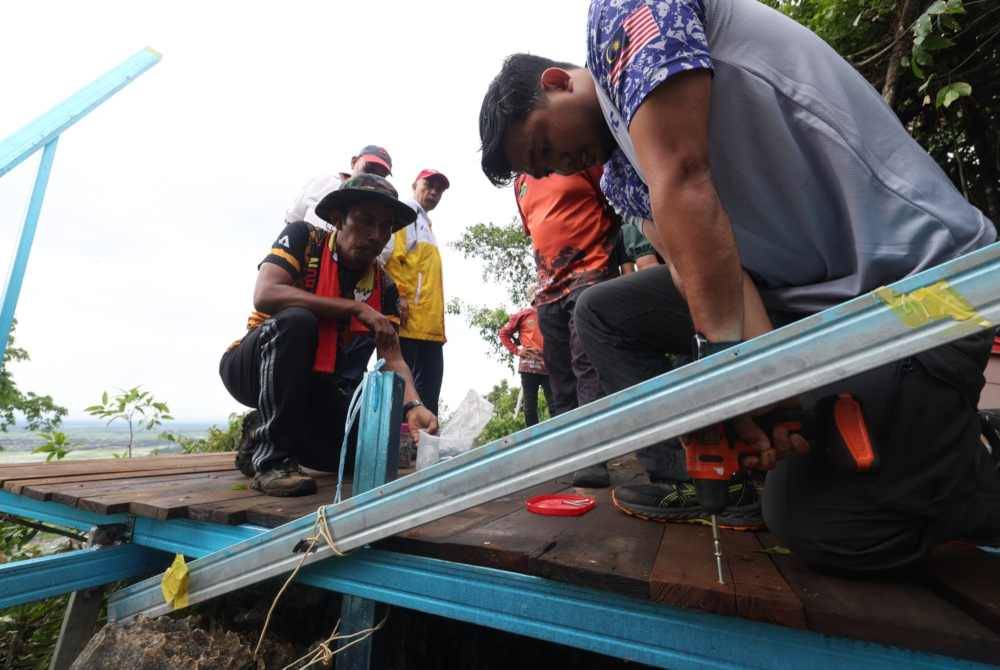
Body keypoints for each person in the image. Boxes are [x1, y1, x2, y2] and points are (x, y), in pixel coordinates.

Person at [478, 0, 999, 572]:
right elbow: (698, 269)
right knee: (603, 312)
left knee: (822, 526)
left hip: (930, 287)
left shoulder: (623, 18)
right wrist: (771, 402)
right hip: (820, 301)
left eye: (546, 146)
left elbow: (684, 173)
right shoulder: (625, 178)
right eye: (546, 168)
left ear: (556, 83)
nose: (561, 165)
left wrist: (725, 378)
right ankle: (711, 477)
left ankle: (969, 475)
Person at [221, 174, 438, 497]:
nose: (376, 235)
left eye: (386, 227)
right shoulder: (303, 239)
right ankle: (272, 462)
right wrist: (352, 308)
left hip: (317, 386)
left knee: (355, 455)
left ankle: (260, 435)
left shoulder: (384, 288)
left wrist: (415, 406)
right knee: (298, 322)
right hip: (254, 365)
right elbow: (266, 292)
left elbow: (391, 358)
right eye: (365, 221)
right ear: (338, 219)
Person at [514, 170, 618, 487]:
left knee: (586, 364)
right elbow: (536, 231)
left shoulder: (575, 158)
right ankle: (568, 454)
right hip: (547, 292)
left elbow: (613, 206)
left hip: (590, 277)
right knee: (559, 375)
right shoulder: (520, 183)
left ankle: (593, 456)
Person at [379, 169, 450, 416]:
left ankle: (422, 451)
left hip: (429, 328)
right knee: (401, 395)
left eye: (439, 190)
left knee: (429, 395)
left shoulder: (425, 223)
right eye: (429, 185)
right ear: (414, 185)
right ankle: (396, 449)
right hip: (408, 322)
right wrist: (399, 297)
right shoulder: (405, 215)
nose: (434, 192)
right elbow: (387, 258)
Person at [285, 145, 393, 228]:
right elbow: (292, 220)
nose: (372, 177)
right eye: (369, 169)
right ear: (353, 162)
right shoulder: (323, 182)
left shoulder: (378, 207)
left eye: (380, 176)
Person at [499, 297, 553, 427]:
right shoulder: (524, 314)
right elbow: (503, 333)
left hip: (549, 364)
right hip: (529, 365)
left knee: (555, 402)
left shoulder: (550, 311)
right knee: (530, 406)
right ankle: (534, 440)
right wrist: (517, 350)